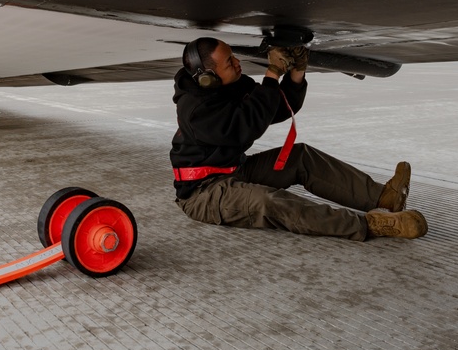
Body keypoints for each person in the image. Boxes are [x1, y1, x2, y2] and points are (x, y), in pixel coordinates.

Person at [170, 37, 428, 241]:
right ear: (208, 77)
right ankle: (368, 225)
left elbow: (275, 107)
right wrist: (272, 73)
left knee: (301, 156)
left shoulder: (231, 84)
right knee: (268, 202)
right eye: (229, 62)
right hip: (204, 194)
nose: (237, 63)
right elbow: (247, 125)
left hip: (236, 170)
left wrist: (296, 72)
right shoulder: (195, 111)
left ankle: (383, 198)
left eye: (233, 57)